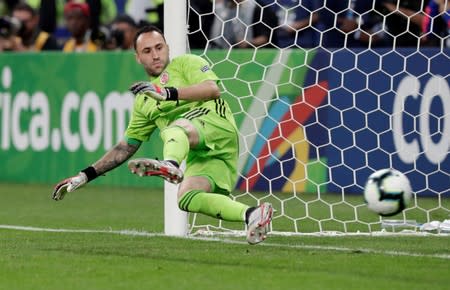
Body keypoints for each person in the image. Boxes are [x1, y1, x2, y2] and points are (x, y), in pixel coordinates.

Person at [52, 25, 273, 245]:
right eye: (147, 51)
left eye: (159, 47)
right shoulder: (143, 100)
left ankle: (170, 164)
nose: (155, 55)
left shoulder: (186, 63)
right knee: (187, 197)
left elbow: (212, 89)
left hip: (216, 124)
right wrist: (85, 175)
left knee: (175, 128)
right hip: (201, 151)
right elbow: (125, 147)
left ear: (167, 47)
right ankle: (253, 214)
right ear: (138, 58)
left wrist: (166, 93)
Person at [209, 0, 277, 49]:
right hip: (220, 52)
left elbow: (265, 38)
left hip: (252, 55)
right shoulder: (217, 9)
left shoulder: (258, 9)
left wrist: (247, 43)